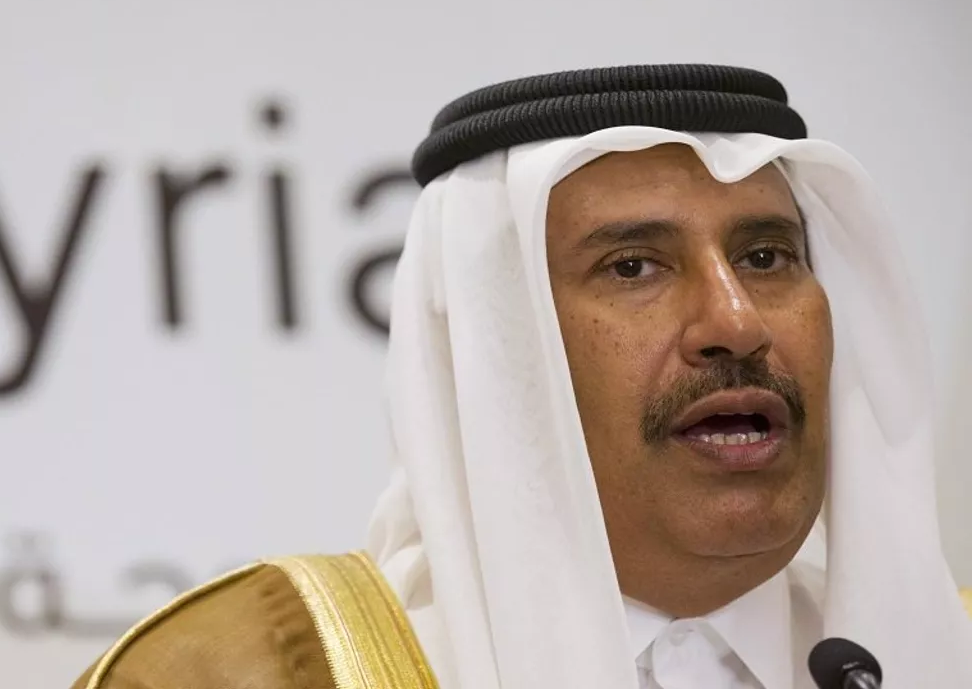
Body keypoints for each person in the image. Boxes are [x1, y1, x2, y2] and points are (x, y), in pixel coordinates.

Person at [69, 65, 972, 689]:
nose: (735, 323)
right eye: (633, 267)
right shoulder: (249, 672)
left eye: (767, 256)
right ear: (502, 351)